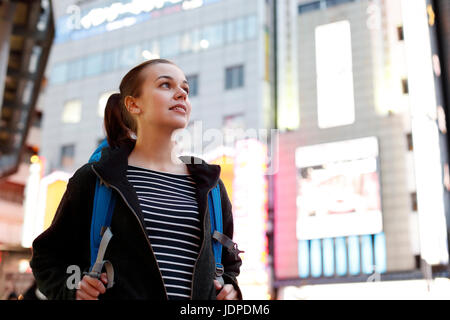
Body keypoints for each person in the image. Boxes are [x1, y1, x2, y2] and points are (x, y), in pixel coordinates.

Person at [30, 58, 242, 300]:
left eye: (185, 88)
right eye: (166, 85)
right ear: (133, 105)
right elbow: (47, 257)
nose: (181, 94)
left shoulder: (211, 186)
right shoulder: (96, 180)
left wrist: (229, 289)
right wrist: (73, 290)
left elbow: (227, 262)